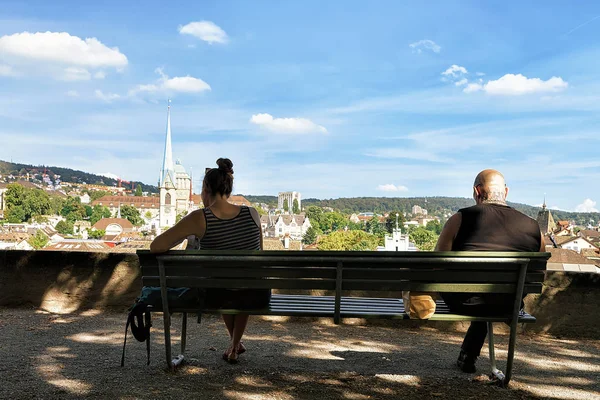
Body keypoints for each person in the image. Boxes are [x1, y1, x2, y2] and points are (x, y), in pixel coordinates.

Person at [150, 158, 268, 364]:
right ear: (228, 188)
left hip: (216, 295)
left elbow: (156, 246)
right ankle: (234, 345)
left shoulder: (199, 218)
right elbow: (259, 256)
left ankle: (234, 344)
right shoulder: (253, 214)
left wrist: (187, 235)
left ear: (205, 188)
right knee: (244, 283)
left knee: (222, 284)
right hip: (257, 295)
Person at [435, 169, 544, 373]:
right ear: (506, 192)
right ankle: (469, 354)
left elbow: (437, 263)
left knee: (480, 296)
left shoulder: (460, 219)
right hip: (508, 304)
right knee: (491, 297)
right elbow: (539, 272)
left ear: (477, 191)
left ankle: (468, 355)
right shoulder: (534, 227)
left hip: (464, 302)